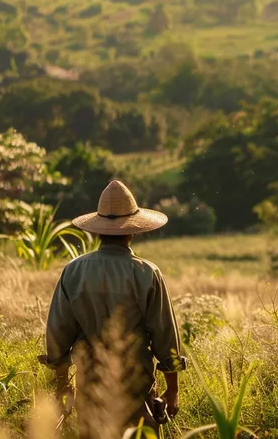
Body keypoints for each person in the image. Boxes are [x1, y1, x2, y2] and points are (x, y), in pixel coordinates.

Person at [42, 180, 186, 437]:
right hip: (136, 385)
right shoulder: (147, 273)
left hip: (91, 384)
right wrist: (172, 390)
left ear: (98, 231)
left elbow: (58, 334)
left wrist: (63, 385)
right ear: (133, 230)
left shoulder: (74, 270)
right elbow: (165, 336)